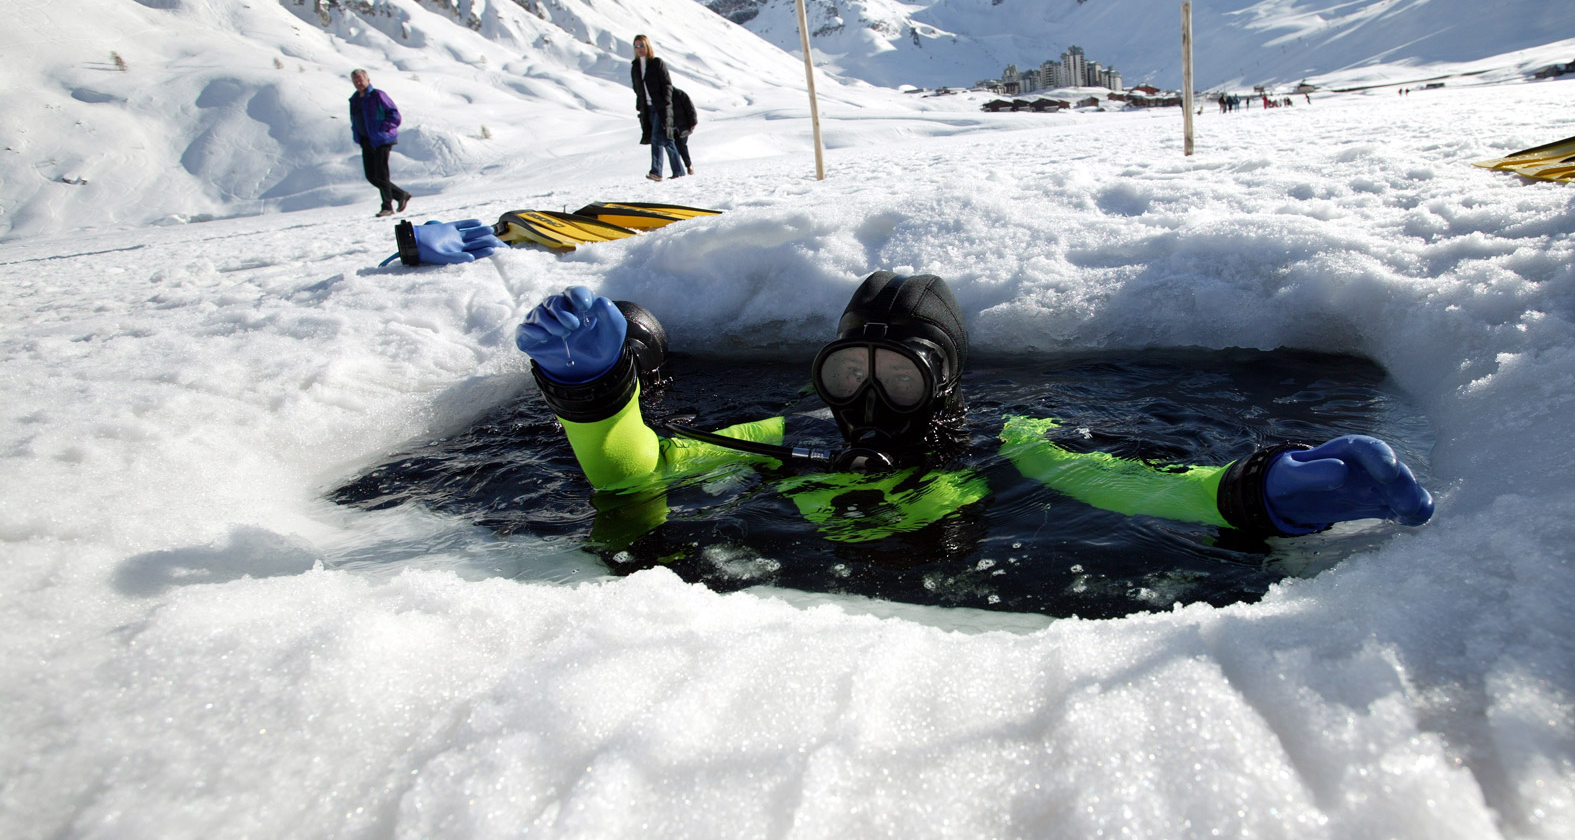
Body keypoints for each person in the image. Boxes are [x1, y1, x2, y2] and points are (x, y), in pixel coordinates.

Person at [514, 272, 1434, 550]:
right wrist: (596, 396)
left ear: (945, 382)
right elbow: (636, 477)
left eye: (900, 379)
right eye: (847, 376)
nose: (868, 403)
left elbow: (1144, 480)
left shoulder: (1011, 446)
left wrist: (1260, 490)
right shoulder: (783, 443)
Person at [349, 68, 409, 217]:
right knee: (371, 175)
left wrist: (383, 129)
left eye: (360, 79)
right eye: (355, 80)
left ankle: (387, 206)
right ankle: (401, 195)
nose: (358, 83)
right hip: (366, 140)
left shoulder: (377, 95)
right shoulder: (354, 99)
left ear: (367, 80)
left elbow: (394, 114)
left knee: (381, 174)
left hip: (382, 139)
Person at [630, 35, 686, 182]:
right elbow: (637, 88)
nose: (639, 49)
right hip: (647, 108)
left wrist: (666, 102)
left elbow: (667, 84)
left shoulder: (656, 63)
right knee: (667, 140)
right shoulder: (635, 67)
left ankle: (656, 172)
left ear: (647, 46)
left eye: (641, 45)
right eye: (636, 46)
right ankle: (679, 171)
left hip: (660, 107)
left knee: (655, 138)